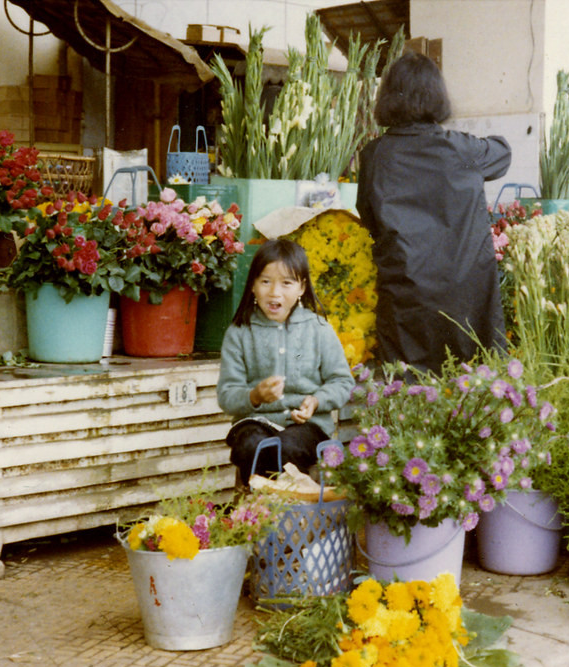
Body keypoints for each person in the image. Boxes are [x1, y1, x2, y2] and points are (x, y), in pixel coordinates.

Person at [356, 51, 512, 375]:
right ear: (437, 97)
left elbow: (367, 216)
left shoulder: (374, 156)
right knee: (469, 393)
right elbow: (504, 152)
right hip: (465, 298)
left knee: (405, 392)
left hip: (404, 295)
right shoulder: (462, 149)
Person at [217, 240, 354, 484]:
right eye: (265, 281)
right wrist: (254, 396)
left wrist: (316, 400)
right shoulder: (239, 332)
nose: (274, 292)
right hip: (255, 423)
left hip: (307, 426)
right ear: (252, 286)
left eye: (286, 283)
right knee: (251, 445)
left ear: (301, 287)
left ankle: (289, 513)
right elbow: (227, 395)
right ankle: (257, 513)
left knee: (287, 447)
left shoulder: (319, 329)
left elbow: (342, 381)